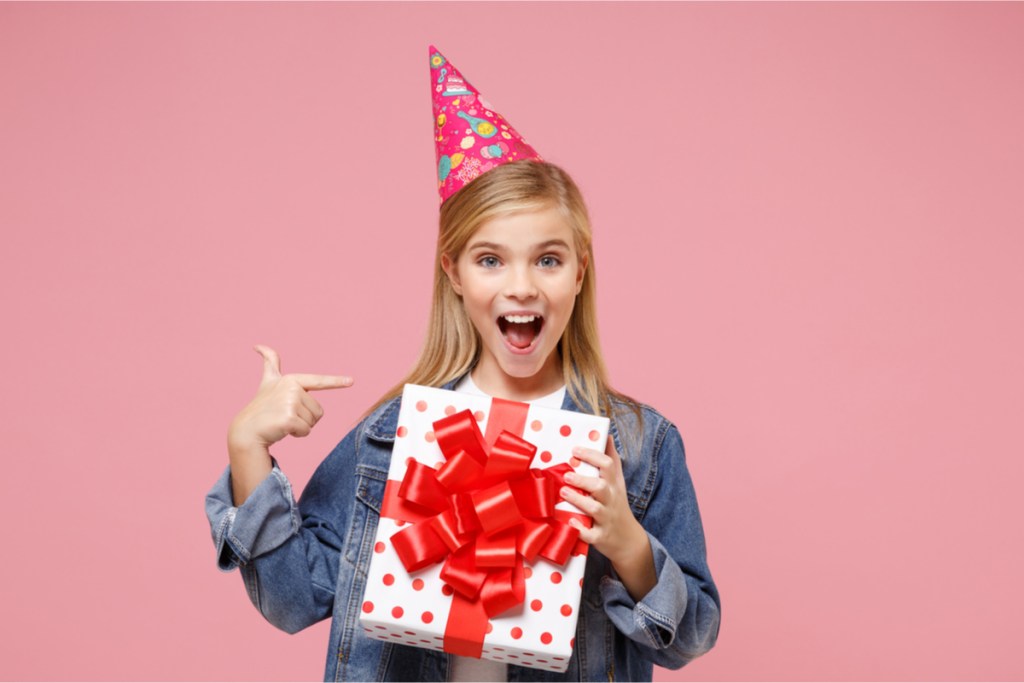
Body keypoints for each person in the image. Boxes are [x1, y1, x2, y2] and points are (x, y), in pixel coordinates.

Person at [205, 46, 721, 682]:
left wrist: (628, 544)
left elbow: (691, 638)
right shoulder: (390, 436)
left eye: (549, 260)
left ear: (580, 272)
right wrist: (246, 450)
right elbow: (293, 601)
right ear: (452, 272)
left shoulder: (641, 448)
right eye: (490, 259)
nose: (523, 287)